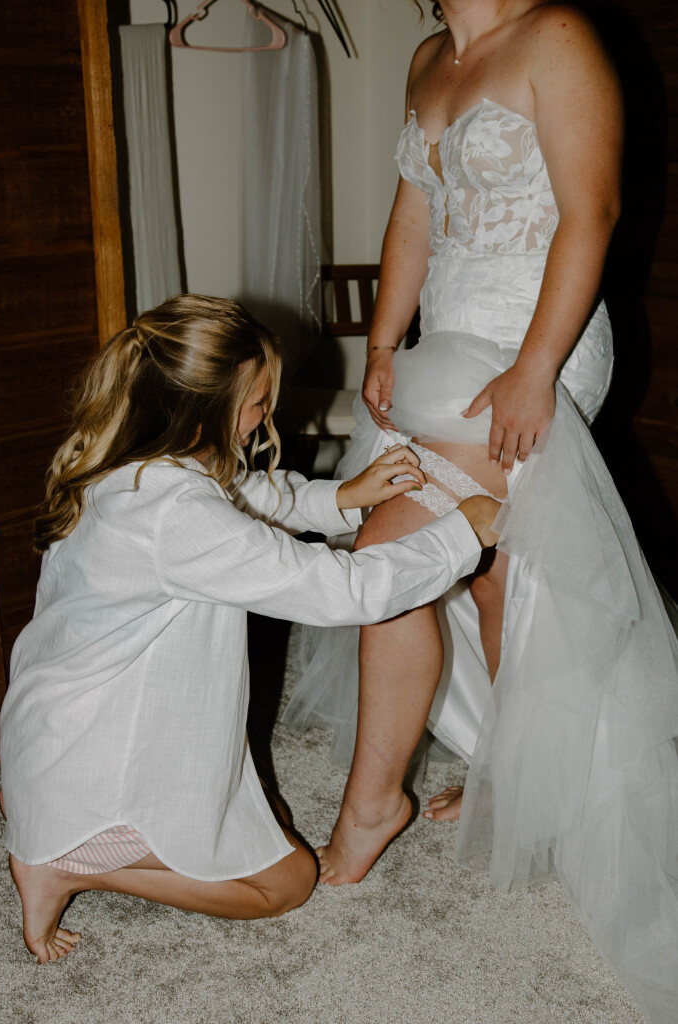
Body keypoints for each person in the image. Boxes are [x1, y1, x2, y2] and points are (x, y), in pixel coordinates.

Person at [283, 3, 678, 1021]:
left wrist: (536, 370)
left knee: (392, 547)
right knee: (498, 574)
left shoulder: (557, 37)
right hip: (442, 347)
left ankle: (372, 807)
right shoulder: (428, 55)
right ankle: (511, 777)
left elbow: (592, 211)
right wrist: (382, 343)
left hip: (533, 342)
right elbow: (415, 215)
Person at [0, 293, 502, 965]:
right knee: (287, 882)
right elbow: (344, 591)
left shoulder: (136, 460)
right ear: (202, 411)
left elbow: (247, 495)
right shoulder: (176, 519)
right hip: (99, 763)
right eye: (259, 403)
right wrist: (460, 533)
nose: (267, 417)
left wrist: (343, 497)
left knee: (270, 816)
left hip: (54, 737)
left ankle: (43, 815)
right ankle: (65, 863)